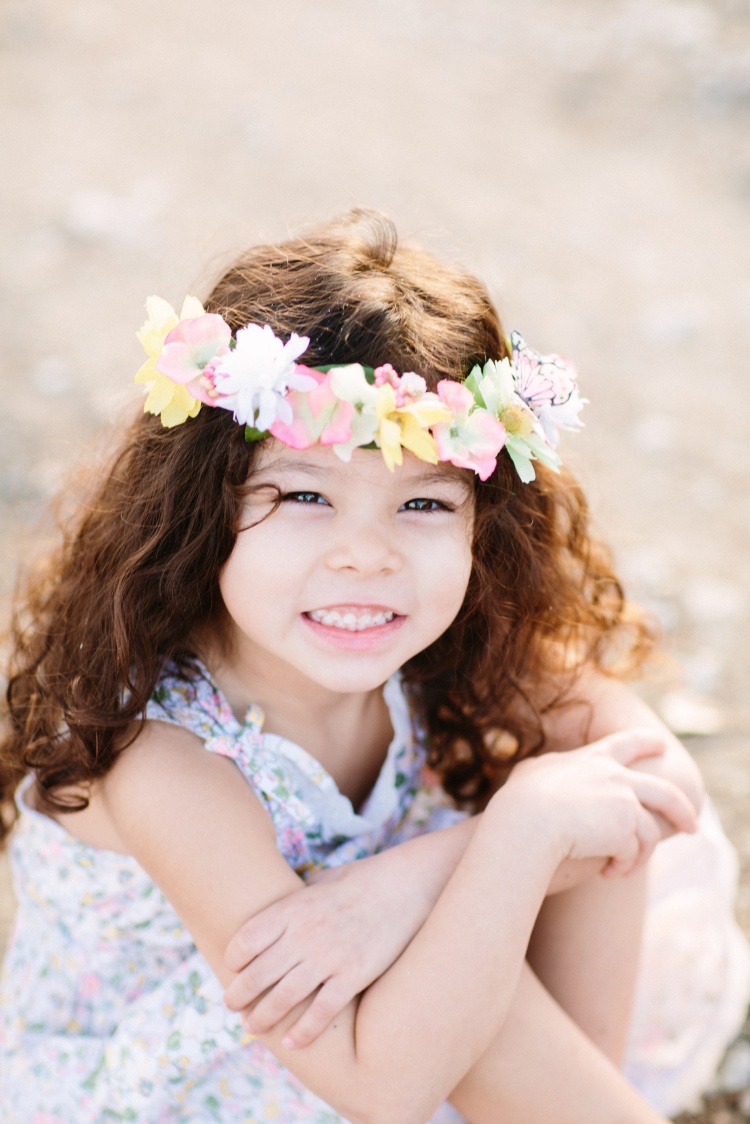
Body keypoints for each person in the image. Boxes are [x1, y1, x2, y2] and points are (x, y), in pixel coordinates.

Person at [0, 209, 747, 1124]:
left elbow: (657, 781)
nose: (369, 556)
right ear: (207, 511)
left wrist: (410, 881)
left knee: (583, 814)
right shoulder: (159, 755)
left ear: (484, 525)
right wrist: (514, 834)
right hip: (205, 1090)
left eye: (424, 504)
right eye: (306, 493)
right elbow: (377, 1090)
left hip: (410, 1037)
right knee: (543, 837)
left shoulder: (452, 644)